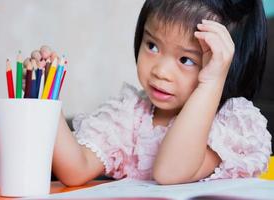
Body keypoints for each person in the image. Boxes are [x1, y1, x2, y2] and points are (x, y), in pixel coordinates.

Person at [29, 0, 272, 185]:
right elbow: (75, 169)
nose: (161, 71)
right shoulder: (131, 114)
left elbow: (170, 172)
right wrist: (45, 96)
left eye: (186, 60)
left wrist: (210, 83)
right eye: (152, 45)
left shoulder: (233, 125)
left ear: (225, 66)